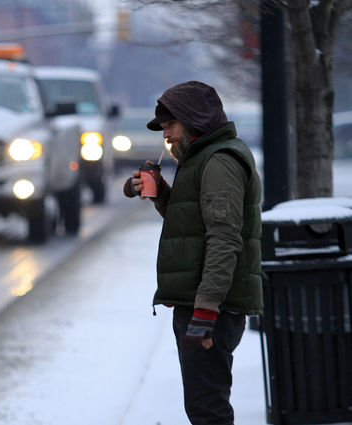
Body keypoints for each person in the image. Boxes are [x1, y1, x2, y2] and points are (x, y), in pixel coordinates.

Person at [123, 81, 263, 425]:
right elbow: (193, 225)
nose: (166, 135)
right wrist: (159, 193)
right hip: (205, 304)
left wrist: (205, 311)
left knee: (208, 411)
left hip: (212, 307)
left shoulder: (219, 162)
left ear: (193, 120)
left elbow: (225, 238)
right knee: (204, 406)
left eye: (170, 125)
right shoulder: (201, 159)